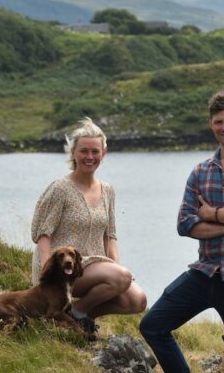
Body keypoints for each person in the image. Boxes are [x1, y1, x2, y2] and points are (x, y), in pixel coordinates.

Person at [139, 91, 224, 372]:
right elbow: (184, 224)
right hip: (205, 272)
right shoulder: (200, 171)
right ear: (211, 125)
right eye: (219, 122)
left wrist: (210, 214)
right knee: (153, 325)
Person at [31, 117, 147, 334]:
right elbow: (42, 234)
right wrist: (48, 273)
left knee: (137, 300)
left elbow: (110, 236)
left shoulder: (108, 190)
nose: (90, 157)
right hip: (62, 268)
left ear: (103, 154)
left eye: (95, 152)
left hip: (95, 266)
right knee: (120, 277)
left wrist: (118, 271)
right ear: (73, 153)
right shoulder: (60, 189)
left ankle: (76, 314)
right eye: (84, 151)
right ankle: (74, 316)